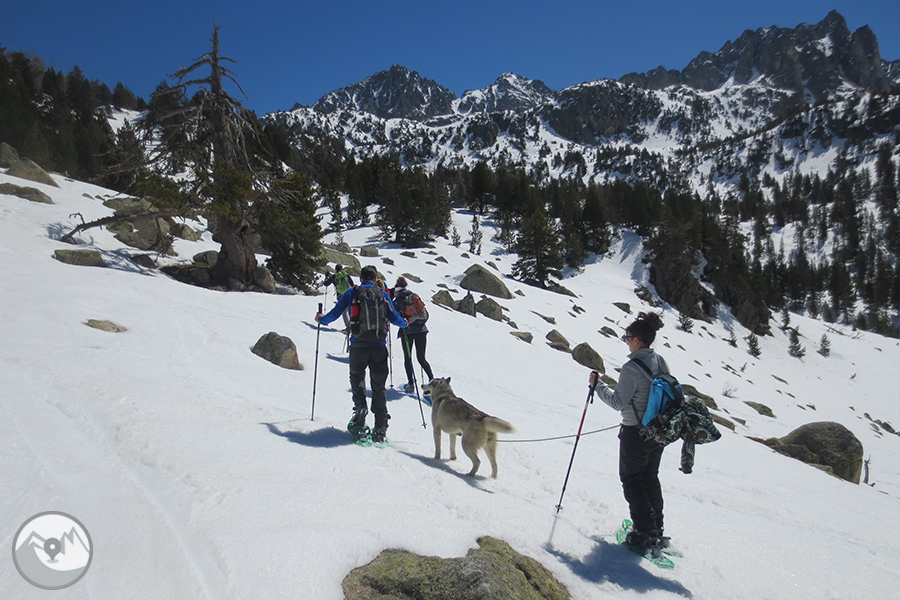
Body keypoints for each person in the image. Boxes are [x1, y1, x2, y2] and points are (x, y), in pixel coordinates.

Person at [589, 311, 671, 550]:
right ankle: (656, 528)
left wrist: (597, 386)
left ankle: (644, 532)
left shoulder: (632, 367)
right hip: (658, 431)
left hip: (635, 432)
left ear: (636, 339)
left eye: (627, 338)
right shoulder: (660, 361)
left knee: (633, 480)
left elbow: (617, 402)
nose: (626, 342)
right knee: (650, 478)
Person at [316, 266, 408, 443]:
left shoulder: (352, 292)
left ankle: (360, 410)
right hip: (379, 347)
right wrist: (405, 323)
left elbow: (335, 313)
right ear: (375, 279)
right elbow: (395, 318)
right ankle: (380, 426)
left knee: (357, 379)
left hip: (358, 345)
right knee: (378, 386)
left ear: (360, 278)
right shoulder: (383, 294)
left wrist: (321, 319)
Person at [392, 277, 434, 393]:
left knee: (408, 358)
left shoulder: (398, 300)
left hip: (407, 332)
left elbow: (394, 316)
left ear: (397, 290)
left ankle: (411, 385)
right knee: (422, 358)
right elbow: (426, 314)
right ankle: (433, 383)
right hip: (422, 330)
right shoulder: (414, 296)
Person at [322, 264, 354, 330]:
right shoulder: (346, 275)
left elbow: (326, 284)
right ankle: (353, 327)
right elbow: (352, 284)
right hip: (350, 294)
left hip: (341, 296)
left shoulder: (335, 276)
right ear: (342, 269)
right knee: (351, 311)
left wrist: (326, 277)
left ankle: (348, 327)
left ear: (335, 269)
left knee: (344, 312)